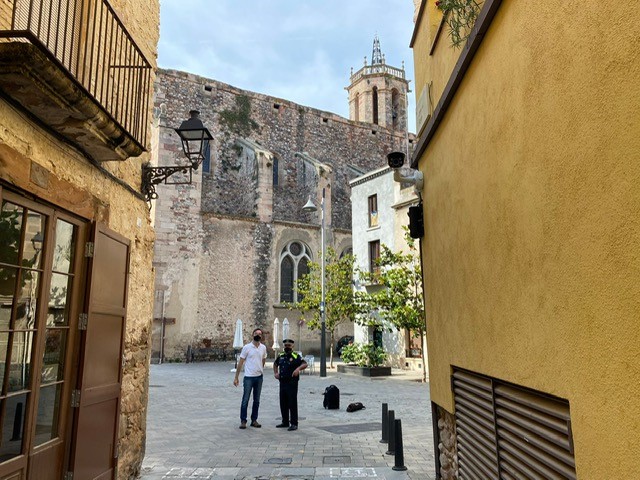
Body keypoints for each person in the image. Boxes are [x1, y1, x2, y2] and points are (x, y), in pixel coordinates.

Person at [233, 327, 267, 429]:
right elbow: (241, 362)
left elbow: (263, 359)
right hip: (248, 377)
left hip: (259, 377)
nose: (258, 335)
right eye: (256, 333)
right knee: (245, 399)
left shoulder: (263, 348)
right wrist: (236, 377)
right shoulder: (247, 347)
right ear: (253, 335)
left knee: (257, 400)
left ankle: (254, 420)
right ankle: (243, 420)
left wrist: (260, 368)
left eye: (260, 334)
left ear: (261, 336)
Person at [273, 338, 307, 431]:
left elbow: (305, 364)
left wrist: (298, 369)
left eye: (289, 345)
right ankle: (285, 421)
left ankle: (294, 423)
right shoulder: (281, 355)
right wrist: (276, 373)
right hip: (282, 382)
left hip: (292, 383)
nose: (287, 347)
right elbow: (275, 364)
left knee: (292, 403)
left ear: (292, 346)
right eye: (285, 345)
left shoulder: (295, 355)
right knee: (283, 402)